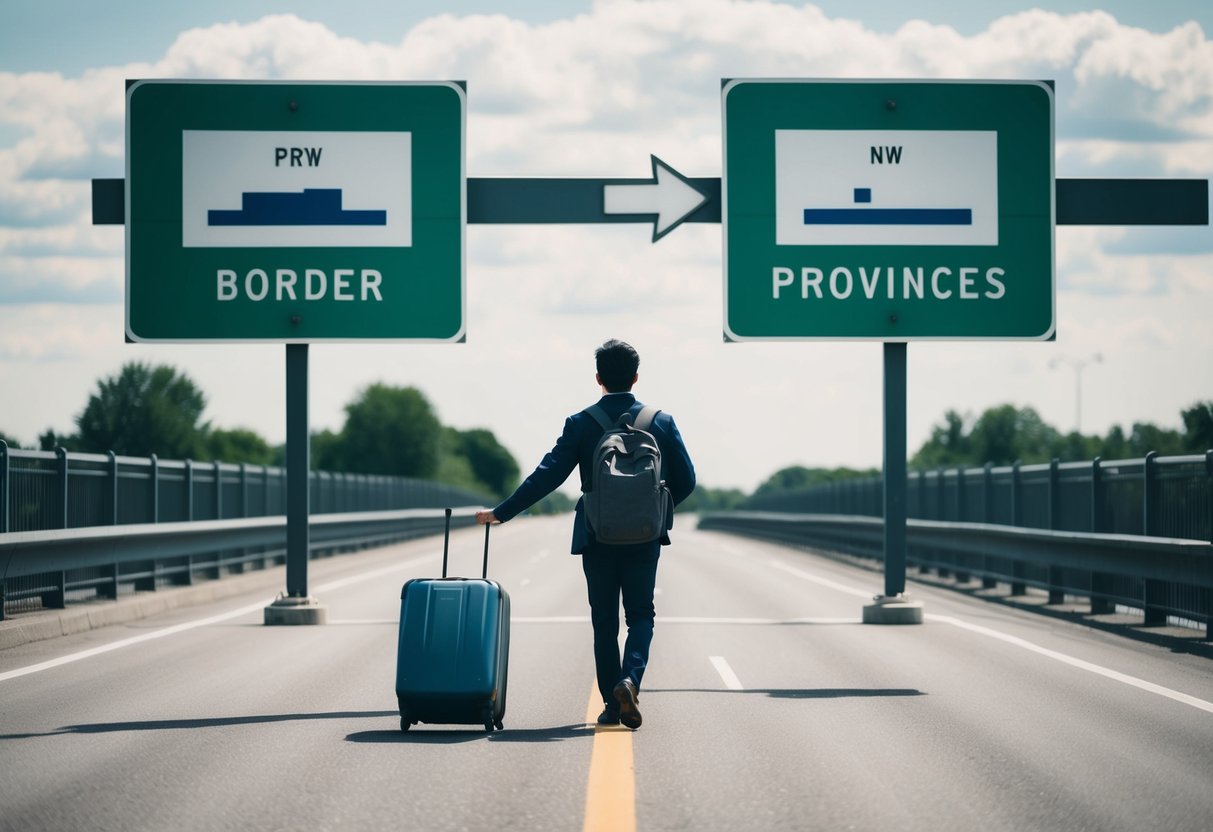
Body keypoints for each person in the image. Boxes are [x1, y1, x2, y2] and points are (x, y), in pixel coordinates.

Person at [475, 339, 696, 730]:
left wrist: (502, 512)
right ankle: (631, 680)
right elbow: (688, 480)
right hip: (645, 536)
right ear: (636, 376)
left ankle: (613, 705)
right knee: (641, 614)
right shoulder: (660, 422)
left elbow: (547, 476)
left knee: (604, 621)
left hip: (597, 535)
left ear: (598, 378)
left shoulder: (581, 423)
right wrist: (656, 511)